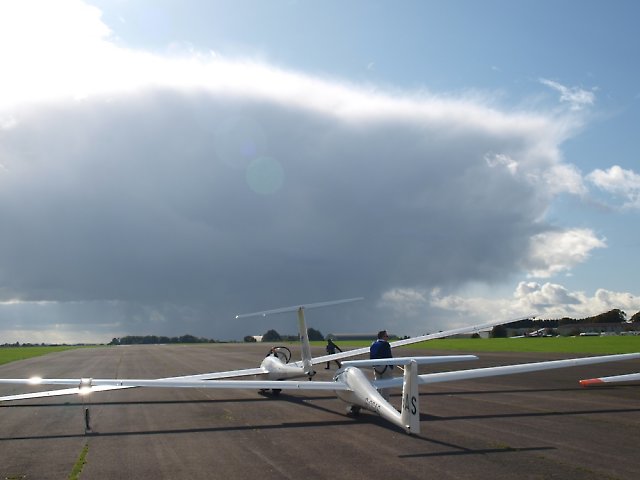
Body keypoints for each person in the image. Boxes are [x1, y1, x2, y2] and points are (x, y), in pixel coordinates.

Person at [369, 330, 393, 400]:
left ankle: (377, 400)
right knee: (386, 386)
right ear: (383, 337)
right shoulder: (386, 344)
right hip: (384, 367)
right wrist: (391, 367)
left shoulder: (373, 344)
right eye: (386, 336)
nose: (387, 337)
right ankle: (385, 402)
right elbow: (389, 356)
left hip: (376, 367)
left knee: (378, 385)